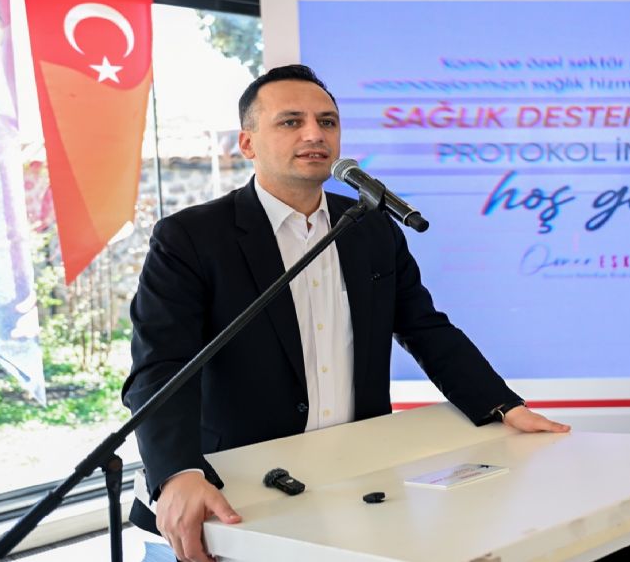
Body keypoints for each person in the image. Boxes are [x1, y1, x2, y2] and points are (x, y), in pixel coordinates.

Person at [121, 64, 569, 562]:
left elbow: (423, 327)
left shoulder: (370, 227)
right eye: (291, 121)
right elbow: (161, 366)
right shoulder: (191, 237)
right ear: (247, 143)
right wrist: (178, 472)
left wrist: (502, 405)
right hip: (237, 491)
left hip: (355, 479)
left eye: (327, 121)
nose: (315, 134)